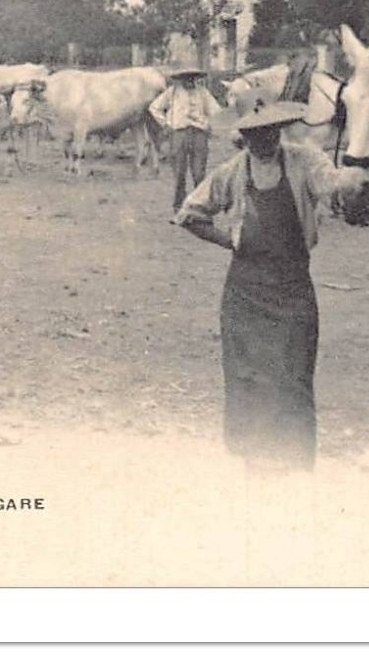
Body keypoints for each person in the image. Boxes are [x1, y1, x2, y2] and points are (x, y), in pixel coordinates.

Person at [174, 100, 348, 471]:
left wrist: (351, 173)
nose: (263, 143)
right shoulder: (233, 172)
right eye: (254, 137)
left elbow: (334, 187)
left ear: (279, 133)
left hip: (292, 284)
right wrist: (229, 240)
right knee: (248, 375)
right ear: (245, 138)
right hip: (245, 289)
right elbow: (189, 214)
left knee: (294, 373)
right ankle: (254, 460)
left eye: (269, 135)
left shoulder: (304, 161)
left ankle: (296, 464)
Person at [150, 64, 222, 211]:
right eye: (185, 78)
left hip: (199, 135)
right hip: (179, 134)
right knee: (179, 173)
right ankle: (179, 206)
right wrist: (166, 124)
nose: (189, 81)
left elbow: (216, 111)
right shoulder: (172, 92)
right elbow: (154, 107)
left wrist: (207, 124)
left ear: (196, 79)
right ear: (180, 79)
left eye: (192, 78)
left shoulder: (203, 93)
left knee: (199, 173)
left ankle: (199, 205)